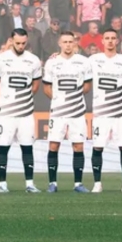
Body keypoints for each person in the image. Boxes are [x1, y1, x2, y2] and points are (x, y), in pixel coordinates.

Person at [0, 29, 43, 194]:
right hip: (6, 113)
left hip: (26, 113)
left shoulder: (33, 61)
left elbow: (36, 85)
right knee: (3, 147)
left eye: (23, 43)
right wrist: (3, 101)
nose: (20, 46)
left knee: (27, 147)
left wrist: (23, 99)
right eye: (17, 43)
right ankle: (3, 184)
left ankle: (29, 183)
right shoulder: (1, 59)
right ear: (11, 40)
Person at [89, 28, 122, 194]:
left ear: (117, 41)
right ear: (102, 41)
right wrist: (55, 56)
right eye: (107, 38)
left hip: (120, 113)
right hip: (100, 114)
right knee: (98, 147)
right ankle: (97, 183)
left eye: (113, 38)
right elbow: (74, 65)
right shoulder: (93, 60)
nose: (110, 41)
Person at [43, 31, 93, 193]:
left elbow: (87, 86)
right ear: (59, 43)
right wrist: (59, 99)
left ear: (75, 43)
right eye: (65, 42)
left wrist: (74, 98)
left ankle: (78, 184)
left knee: (78, 146)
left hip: (77, 111)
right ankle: (53, 183)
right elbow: (46, 88)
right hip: (58, 111)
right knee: (54, 145)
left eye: (71, 41)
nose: (68, 45)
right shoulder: (52, 63)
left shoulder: (83, 62)